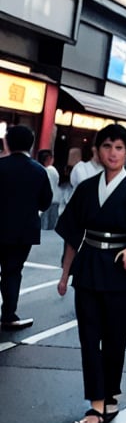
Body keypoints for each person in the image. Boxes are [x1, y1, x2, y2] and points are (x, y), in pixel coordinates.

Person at [55, 124, 126, 423]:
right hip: (87, 268)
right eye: (107, 146)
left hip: (118, 271)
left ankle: (111, 394)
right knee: (89, 337)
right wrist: (64, 275)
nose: (112, 153)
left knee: (115, 338)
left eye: (119, 148)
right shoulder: (86, 189)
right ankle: (96, 404)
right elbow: (73, 234)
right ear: (97, 151)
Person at [0, 124, 53, 331]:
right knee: (12, 272)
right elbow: (45, 202)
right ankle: (9, 315)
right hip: (23, 232)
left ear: (7, 142)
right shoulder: (39, 171)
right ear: (31, 145)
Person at [37, 149, 61, 230]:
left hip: (42, 201)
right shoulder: (51, 170)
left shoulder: (38, 169)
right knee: (50, 225)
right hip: (53, 200)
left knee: (43, 224)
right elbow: (56, 181)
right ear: (48, 159)